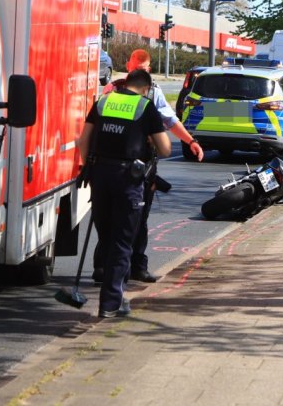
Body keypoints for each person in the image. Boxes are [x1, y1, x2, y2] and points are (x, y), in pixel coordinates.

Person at [93, 49, 204, 283]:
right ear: (128, 64)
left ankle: (135, 267)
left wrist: (190, 141)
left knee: (138, 220)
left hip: (140, 166)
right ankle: (105, 269)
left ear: (149, 70)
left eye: (143, 69)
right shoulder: (110, 90)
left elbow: (171, 122)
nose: (140, 72)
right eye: (136, 67)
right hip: (116, 163)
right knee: (109, 221)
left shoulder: (154, 93)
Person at [76, 69, 172, 318]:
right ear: (146, 88)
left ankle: (112, 296)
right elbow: (165, 149)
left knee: (107, 237)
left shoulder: (103, 101)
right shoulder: (145, 106)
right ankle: (110, 304)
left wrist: (90, 166)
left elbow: (82, 140)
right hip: (128, 180)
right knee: (122, 242)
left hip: (100, 177)